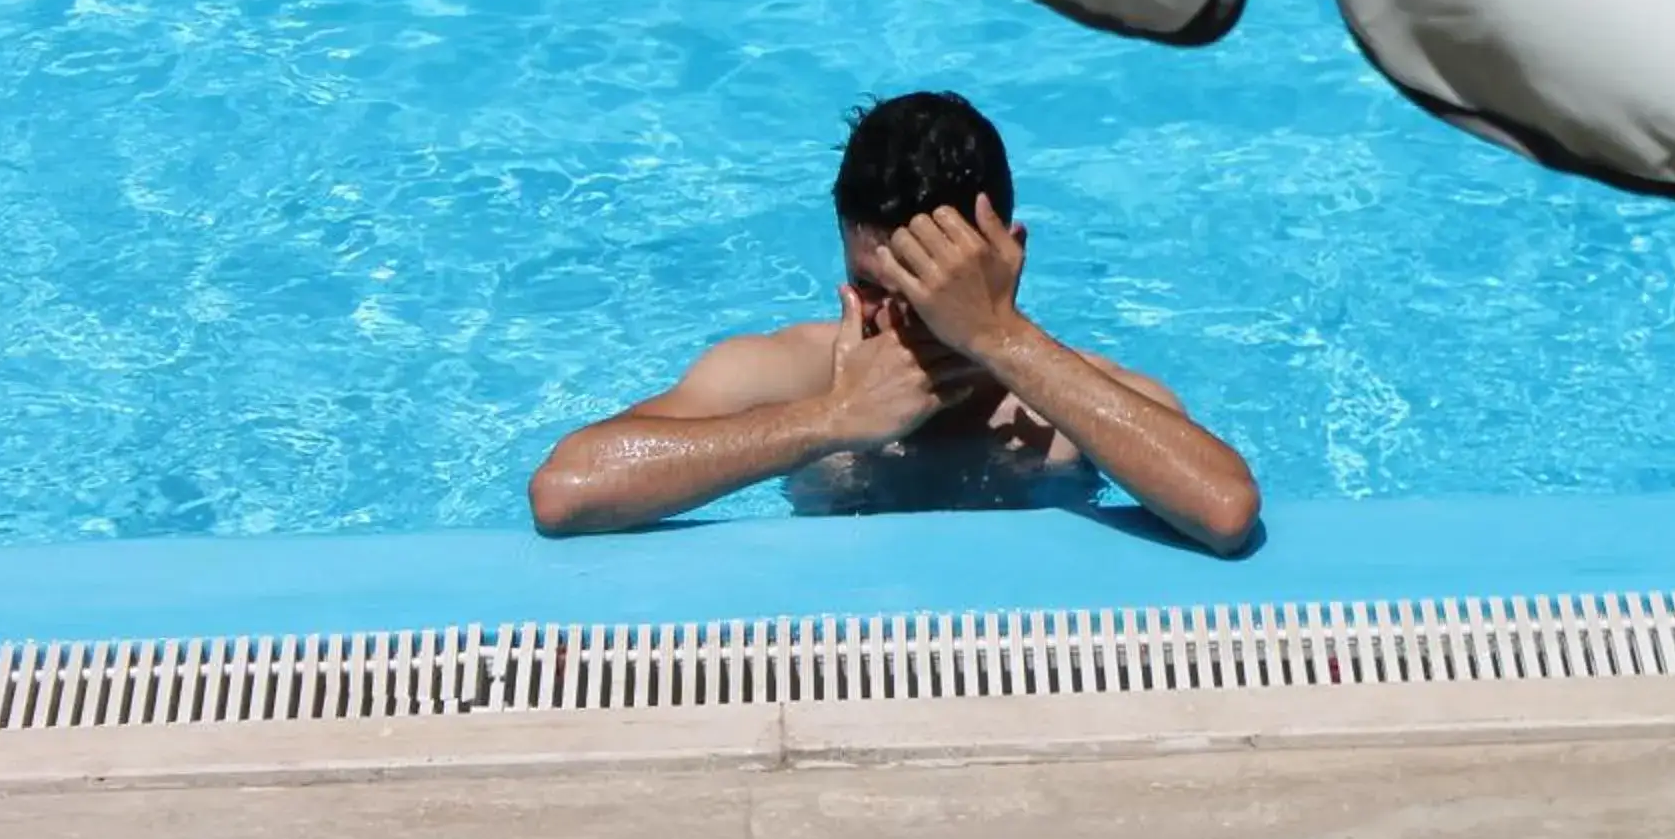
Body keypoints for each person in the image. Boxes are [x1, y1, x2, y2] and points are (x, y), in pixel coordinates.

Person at [528, 92, 1261, 554]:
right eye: (869, 286)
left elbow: (1224, 510)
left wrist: (1000, 339)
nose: (895, 319)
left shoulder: (1067, 408)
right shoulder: (792, 374)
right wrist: (829, 421)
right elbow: (567, 490)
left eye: (932, 287)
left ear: (1007, 259)